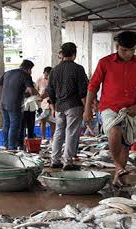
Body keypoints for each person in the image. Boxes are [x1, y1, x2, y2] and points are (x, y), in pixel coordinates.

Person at [84, 31, 136, 186]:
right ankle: (119, 166)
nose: (128, 54)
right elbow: (93, 86)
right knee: (114, 131)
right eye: (124, 50)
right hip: (110, 107)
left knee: (126, 143)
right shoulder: (105, 62)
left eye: (131, 50)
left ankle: (118, 176)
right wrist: (87, 109)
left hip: (131, 108)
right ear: (117, 46)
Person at [47, 42, 89, 170]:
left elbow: (51, 90)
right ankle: (68, 162)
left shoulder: (54, 70)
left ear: (62, 54)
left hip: (59, 106)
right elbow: (83, 91)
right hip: (74, 105)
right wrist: (87, 107)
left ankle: (55, 160)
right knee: (71, 132)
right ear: (74, 54)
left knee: (59, 132)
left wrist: (53, 107)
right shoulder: (78, 69)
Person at [0, 60, 38, 151]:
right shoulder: (26, 75)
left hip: (3, 102)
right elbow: (30, 90)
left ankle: (6, 145)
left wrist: (6, 92)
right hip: (15, 103)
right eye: (31, 70)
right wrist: (36, 95)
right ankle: (12, 147)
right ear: (28, 69)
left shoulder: (8, 72)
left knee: (6, 124)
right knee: (14, 126)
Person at [36, 66, 55, 142]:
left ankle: (53, 138)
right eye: (46, 75)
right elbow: (36, 91)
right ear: (44, 73)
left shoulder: (53, 80)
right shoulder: (39, 80)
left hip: (52, 105)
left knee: (53, 122)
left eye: (49, 75)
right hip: (43, 105)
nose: (47, 77)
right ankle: (43, 137)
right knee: (42, 121)